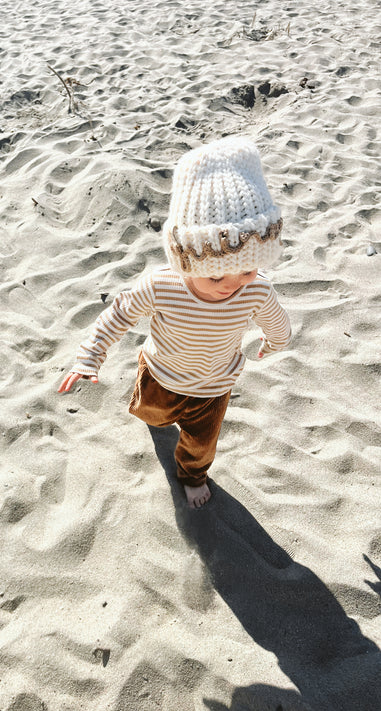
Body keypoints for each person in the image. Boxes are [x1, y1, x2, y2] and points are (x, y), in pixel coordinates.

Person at [58, 136, 291, 509]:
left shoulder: (257, 290)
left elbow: (276, 321)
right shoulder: (160, 286)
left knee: (201, 444)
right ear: (186, 261)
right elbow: (119, 315)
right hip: (161, 375)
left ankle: (192, 475)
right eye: (216, 276)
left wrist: (276, 341)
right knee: (153, 416)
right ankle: (160, 423)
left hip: (215, 386)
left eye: (247, 269)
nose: (232, 285)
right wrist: (90, 355)